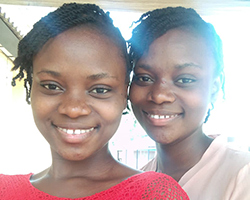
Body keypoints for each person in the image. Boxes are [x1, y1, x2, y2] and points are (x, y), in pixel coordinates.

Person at [0, 3, 189, 200]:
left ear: (124, 96)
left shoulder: (154, 194)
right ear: (31, 87)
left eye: (99, 90)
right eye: (52, 86)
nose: (73, 109)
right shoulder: (4, 190)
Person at [128, 6, 250, 200]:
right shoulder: (134, 184)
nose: (160, 95)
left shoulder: (242, 175)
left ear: (215, 88)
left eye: (185, 79)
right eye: (144, 78)